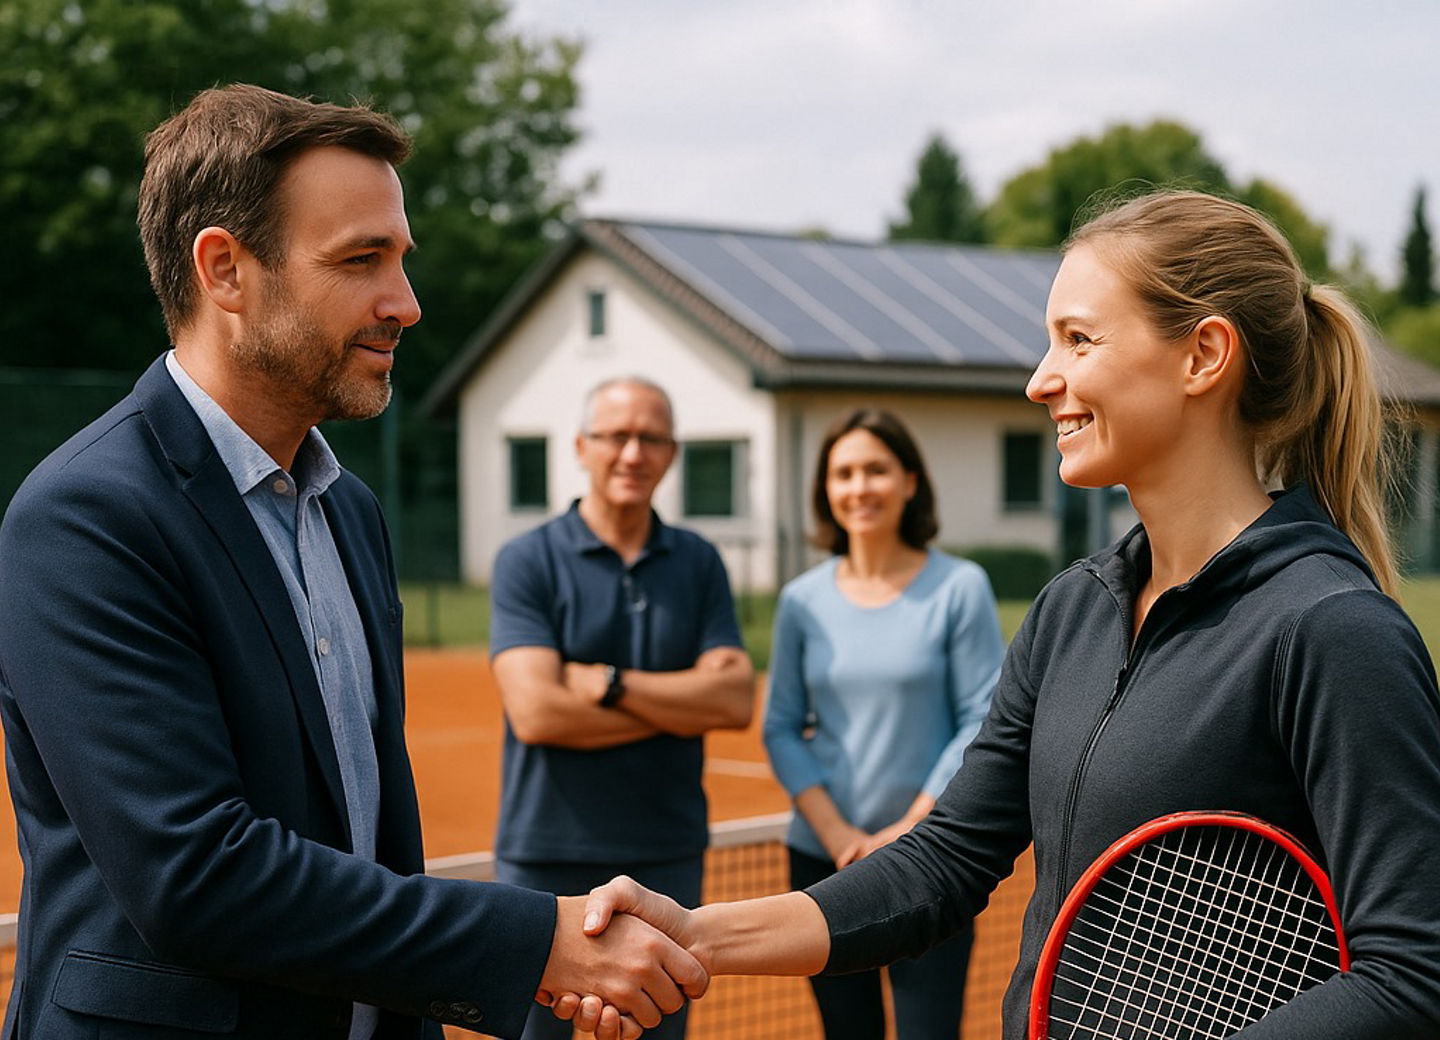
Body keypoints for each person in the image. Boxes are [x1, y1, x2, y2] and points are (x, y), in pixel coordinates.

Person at [567, 190, 1440, 1039]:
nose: (1039, 380)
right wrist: (695, 933)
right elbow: (945, 860)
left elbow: (1411, 974)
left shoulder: (1333, 629)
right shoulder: (1072, 611)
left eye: (1078, 340)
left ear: (1204, 356)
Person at [0, 84, 705, 1040]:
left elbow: (372, 840)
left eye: (400, 259)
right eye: (360, 260)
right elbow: (197, 876)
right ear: (224, 269)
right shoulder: (84, 517)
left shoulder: (351, 512)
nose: (405, 304)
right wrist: (534, 944)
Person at [488, 376, 756, 1040]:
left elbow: (733, 699)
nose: (633, 453)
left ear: (671, 454)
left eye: (651, 438)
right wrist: (678, 703)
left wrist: (608, 684)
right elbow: (539, 714)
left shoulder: (698, 563)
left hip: (664, 852)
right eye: (616, 436)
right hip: (544, 858)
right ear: (582, 447)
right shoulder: (527, 561)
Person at [762, 408, 1002, 1039]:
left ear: (910, 482)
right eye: (844, 473)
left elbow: (981, 718)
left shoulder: (960, 587)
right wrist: (839, 834)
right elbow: (781, 726)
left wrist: (907, 829)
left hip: (930, 857)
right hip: (823, 860)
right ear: (826, 491)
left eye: (876, 469)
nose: (860, 487)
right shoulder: (800, 602)